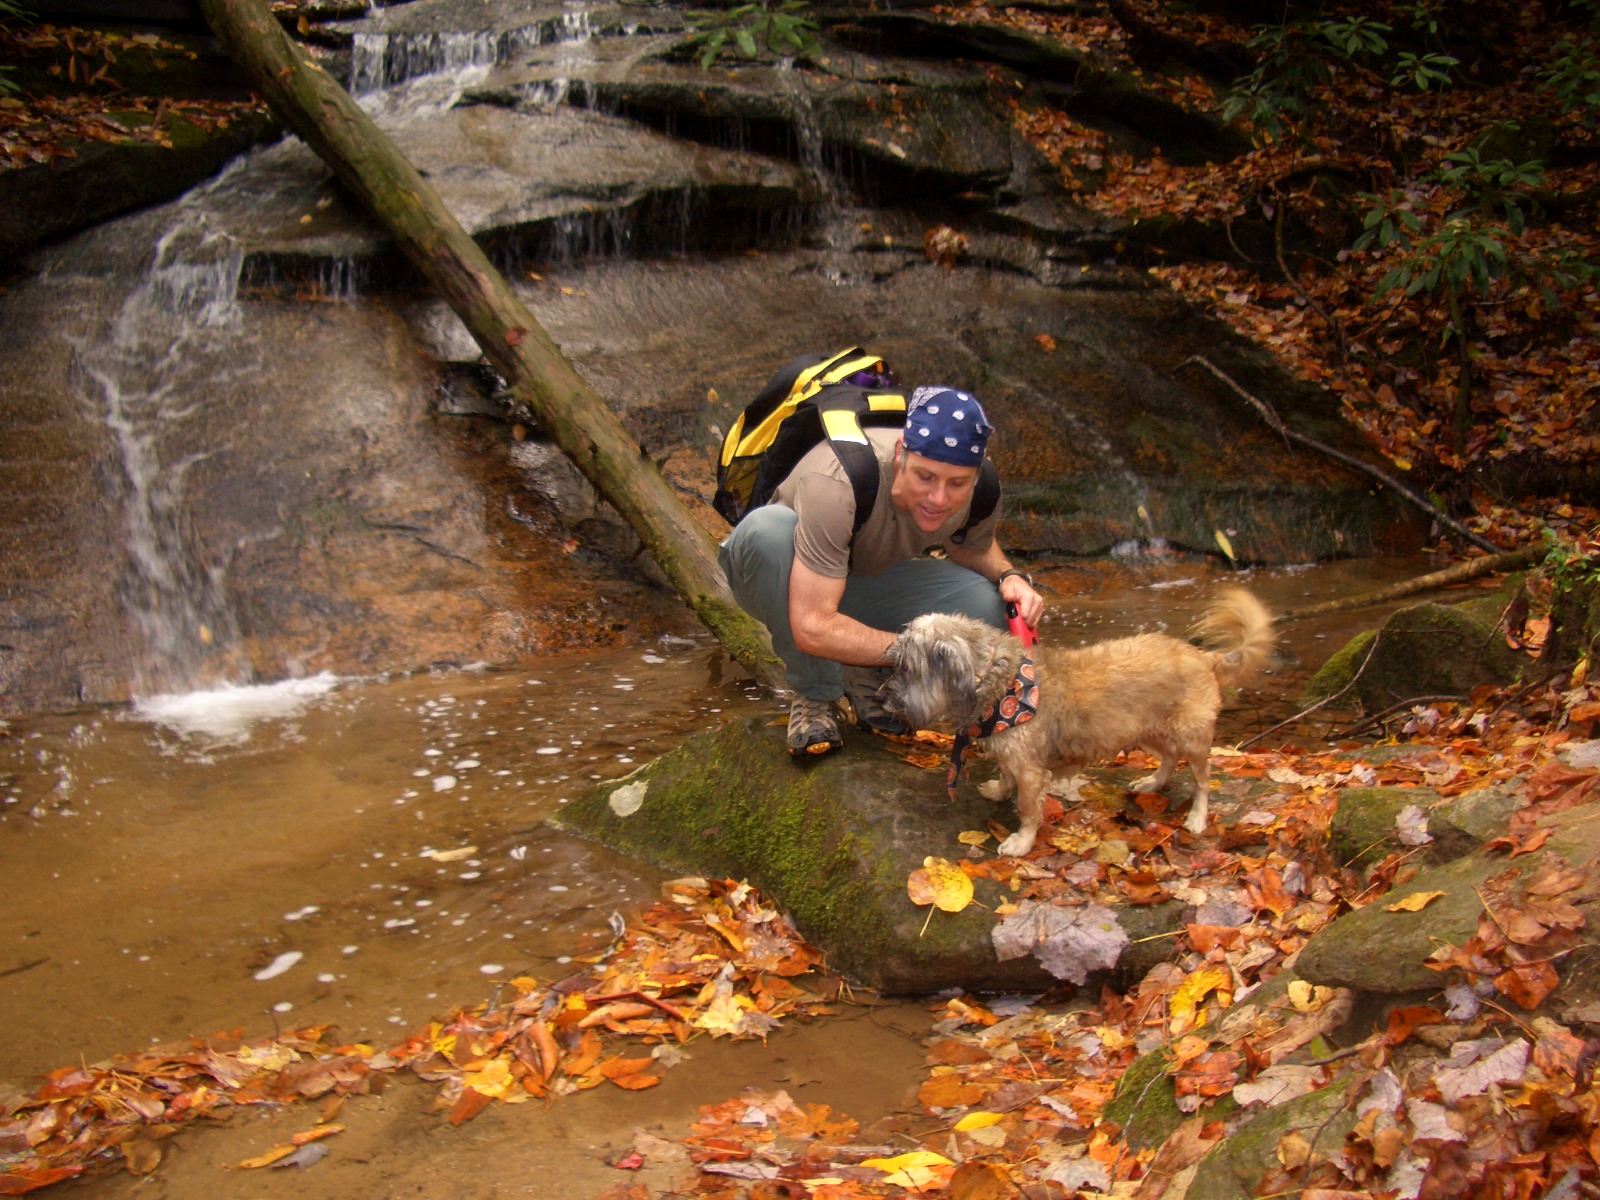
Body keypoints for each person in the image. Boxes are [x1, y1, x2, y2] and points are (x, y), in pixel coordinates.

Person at [717, 385, 1044, 755]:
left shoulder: (980, 483)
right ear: (902, 453)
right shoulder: (839, 481)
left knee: (991, 610)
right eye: (925, 477)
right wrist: (919, 652)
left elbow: (971, 546)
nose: (939, 499)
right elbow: (811, 625)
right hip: (779, 575)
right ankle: (815, 694)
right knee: (769, 533)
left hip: (858, 582)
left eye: (957, 484)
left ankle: (863, 671)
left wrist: (1010, 577)